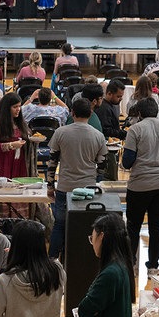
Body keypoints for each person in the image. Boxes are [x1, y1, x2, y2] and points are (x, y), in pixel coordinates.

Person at [122, 98, 159, 274]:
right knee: (156, 225)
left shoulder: (135, 130)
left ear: (140, 113)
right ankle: (154, 266)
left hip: (140, 185)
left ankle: (131, 265)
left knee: (133, 225)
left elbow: (127, 162)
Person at [47, 98, 108, 259]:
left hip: (64, 187)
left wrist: (50, 185)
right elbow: (102, 166)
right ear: (91, 113)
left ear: (72, 112)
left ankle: (52, 261)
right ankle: (82, 261)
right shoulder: (98, 136)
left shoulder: (60, 132)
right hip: (88, 188)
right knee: (86, 226)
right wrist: (94, 178)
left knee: (59, 225)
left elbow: (52, 162)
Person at [0, 92, 32, 181]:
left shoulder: (20, 123)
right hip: (3, 162)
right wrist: (11, 145)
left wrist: (33, 141)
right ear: (7, 108)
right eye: (15, 107)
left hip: (19, 162)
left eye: (19, 106)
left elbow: (26, 139)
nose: (18, 109)